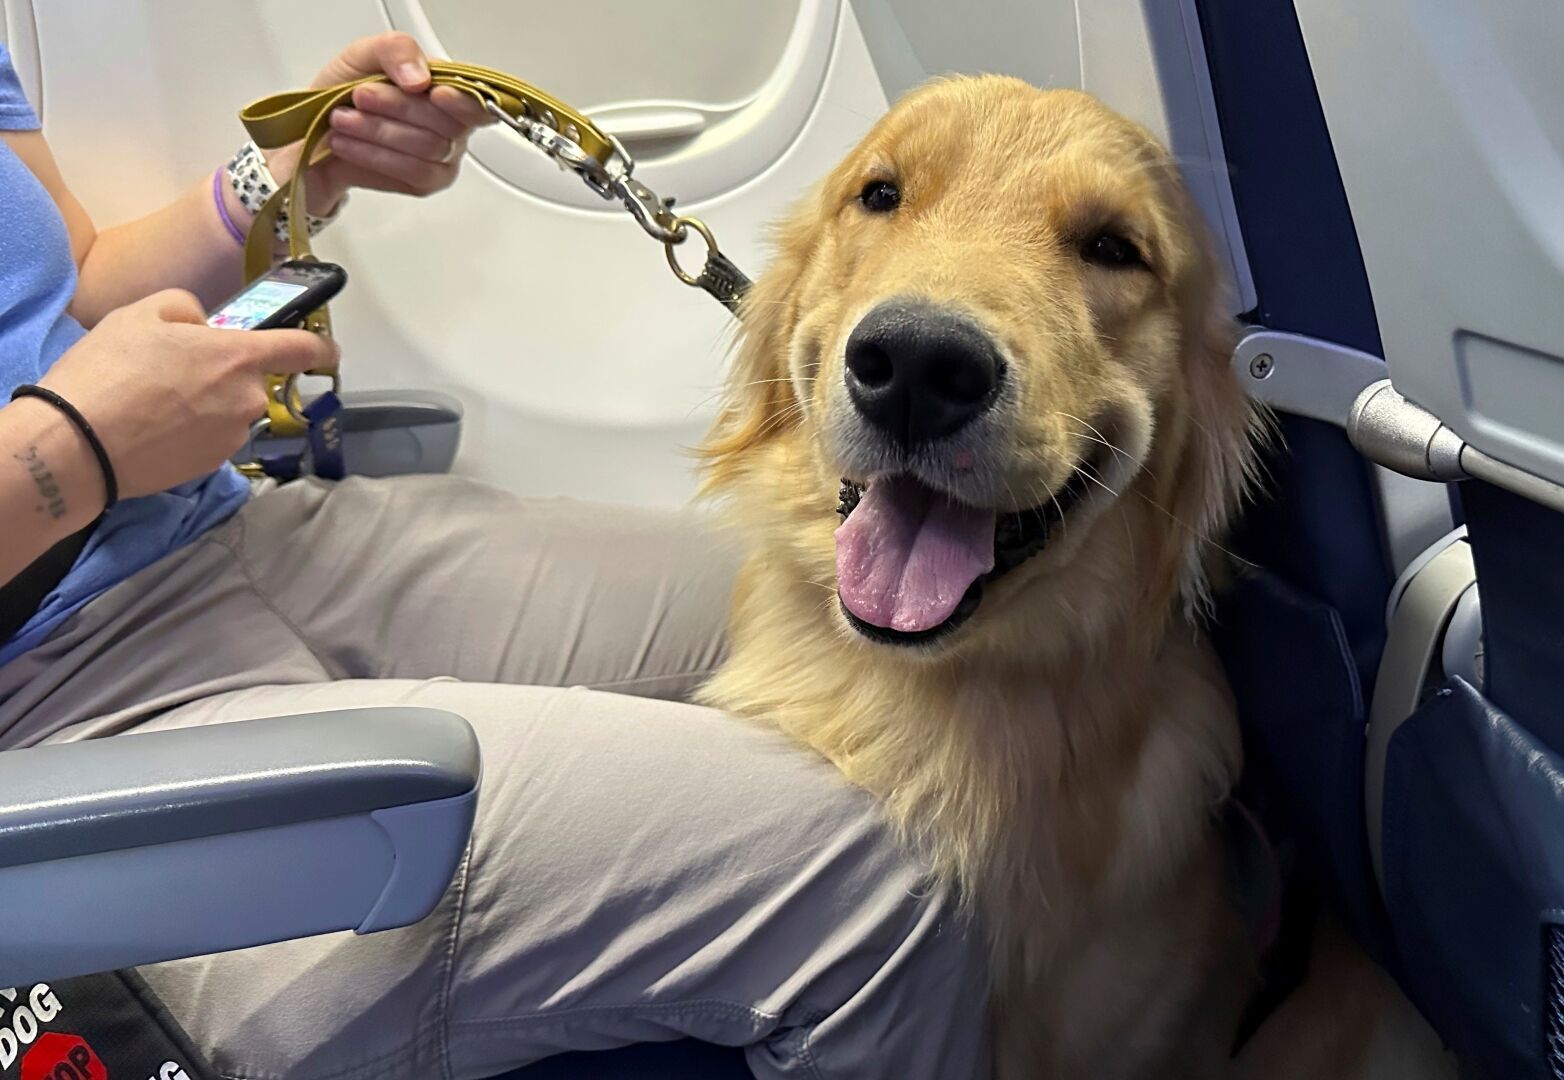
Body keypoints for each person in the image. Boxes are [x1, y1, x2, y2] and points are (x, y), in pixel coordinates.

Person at [0, 31, 985, 1080]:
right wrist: (67, 453)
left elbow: (70, 287)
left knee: (849, 616)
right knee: (878, 890)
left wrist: (293, 172)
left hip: (213, 534)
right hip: (53, 705)